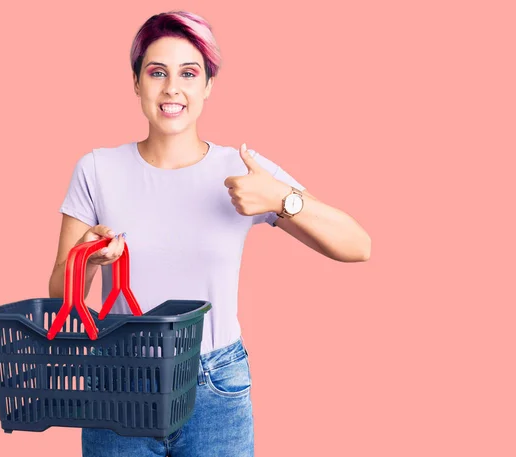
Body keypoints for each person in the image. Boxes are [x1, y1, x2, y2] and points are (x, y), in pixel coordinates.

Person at [49, 10, 371, 457]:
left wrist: (280, 198)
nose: (172, 88)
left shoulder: (240, 170)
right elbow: (59, 294)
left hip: (214, 385)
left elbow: (358, 245)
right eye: (157, 72)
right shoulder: (97, 169)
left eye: (189, 72)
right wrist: (86, 259)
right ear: (137, 82)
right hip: (119, 381)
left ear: (208, 86)